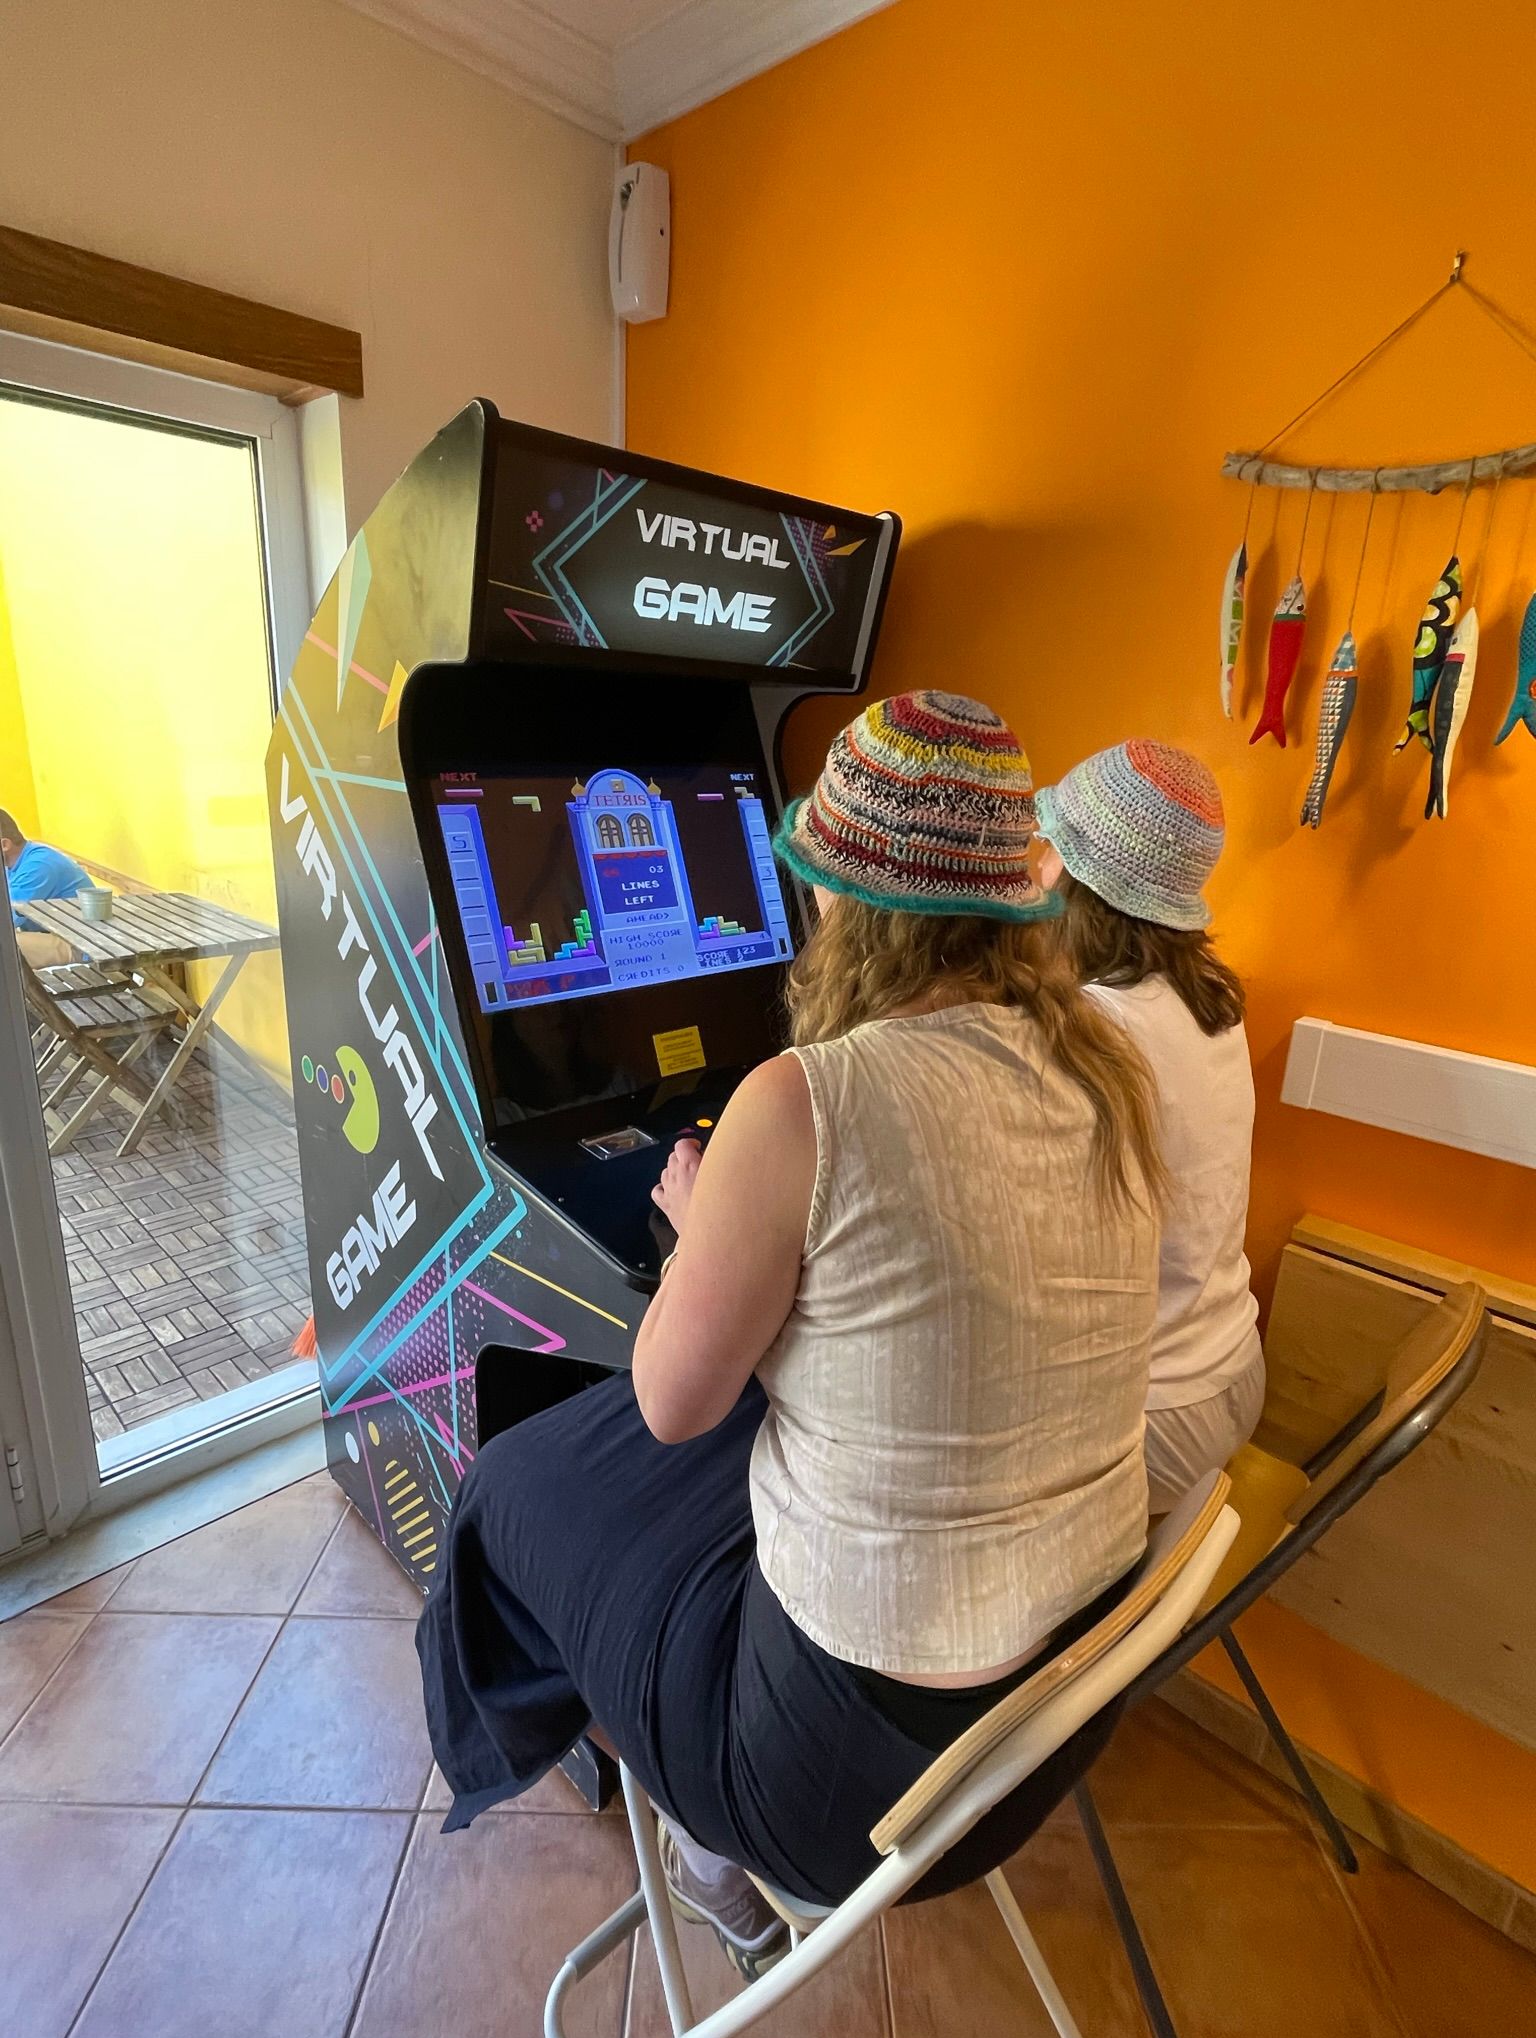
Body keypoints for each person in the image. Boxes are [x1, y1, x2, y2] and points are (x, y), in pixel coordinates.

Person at [417, 692, 1163, 1973]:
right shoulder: (1107, 1072)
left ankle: (696, 1851)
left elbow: (669, 1401)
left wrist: (706, 1221)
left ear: (843, 899)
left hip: (840, 1788)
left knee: (503, 1487)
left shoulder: (804, 1097)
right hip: (1047, 1725)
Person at [1034, 739, 1265, 1514]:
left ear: (1076, 882)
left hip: (1151, 1420)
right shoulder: (1210, 1003)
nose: (1034, 869)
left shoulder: (1086, 1032)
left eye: (1048, 851)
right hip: (1233, 1370)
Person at [1, 808, 91, 969]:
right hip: (58, 936)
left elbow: (5, 921)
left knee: (4, 944)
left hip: (82, 946)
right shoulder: (14, 863)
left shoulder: (38, 866)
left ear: (5, 845)